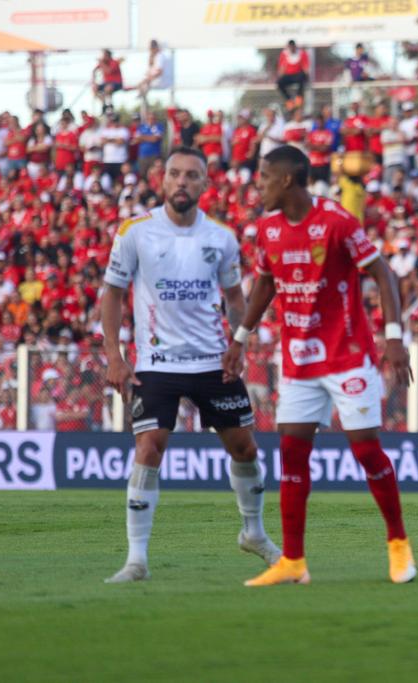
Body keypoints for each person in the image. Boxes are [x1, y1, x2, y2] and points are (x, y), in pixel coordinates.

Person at [223, 145, 416, 586]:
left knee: (366, 449)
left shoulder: (336, 222)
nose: (259, 186)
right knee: (292, 452)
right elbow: (265, 284)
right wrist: (240, 336)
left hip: (347, 354)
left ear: (287, 180)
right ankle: (293, 560)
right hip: (298, 359)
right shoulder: (268, 228)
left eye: (265, 177)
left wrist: (394, 337)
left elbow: (383, 273)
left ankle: (398, 544)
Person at [101, 146, 279, 583]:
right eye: (175, 174)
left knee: (245, 448)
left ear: (204, 184)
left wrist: (239, 342)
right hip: (157, 360)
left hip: (211, 359)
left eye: (191, 176)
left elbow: (235, 298)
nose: (182, 182)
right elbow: (112, 293)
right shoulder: (136, 231)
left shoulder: (220, 237)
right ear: (162, 181)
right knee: (149, 447)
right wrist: (114, 355)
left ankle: (253, 533)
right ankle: (136, 559)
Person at [276, 40, 310, 112]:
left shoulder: (302, 53)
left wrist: (307, 76)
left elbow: (305, 67)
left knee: (302, 78)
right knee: (279, 83)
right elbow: (281, 67)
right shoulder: (284, 54)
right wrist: (280, 77)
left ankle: (298, 98)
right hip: (288, 75)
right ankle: (289, 100)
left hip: (298, 75)